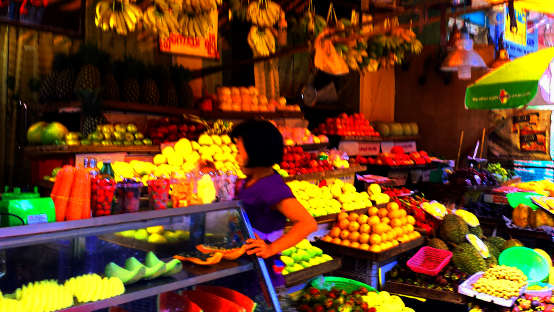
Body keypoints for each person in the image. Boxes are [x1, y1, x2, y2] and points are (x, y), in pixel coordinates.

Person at [230, 119, 318, 259]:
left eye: (239, 152)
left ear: (256, 153)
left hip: (263, 269)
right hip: (246, 263)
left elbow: (307, 223)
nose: (236, 158)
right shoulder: (251, 180)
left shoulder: (271, 187)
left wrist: (271, 248)